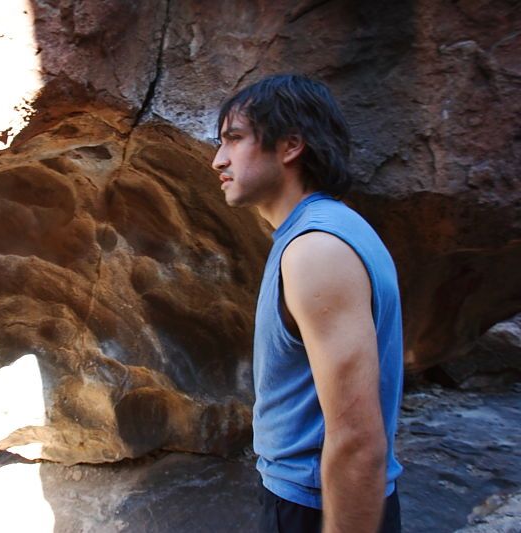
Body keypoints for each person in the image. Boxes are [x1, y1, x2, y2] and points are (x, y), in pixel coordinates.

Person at [212, 74, 403, 533]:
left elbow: (357, 439)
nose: (218, 160)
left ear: (290, 145)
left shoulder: (317, 249)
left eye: (234, 139)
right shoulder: (331, 228)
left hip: (314, 505)